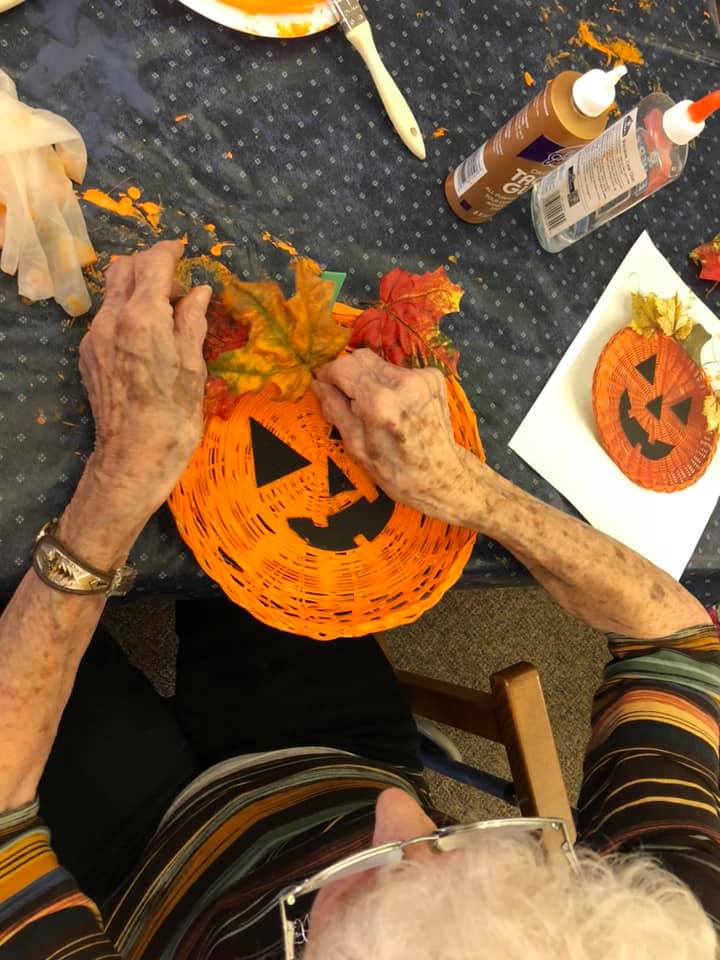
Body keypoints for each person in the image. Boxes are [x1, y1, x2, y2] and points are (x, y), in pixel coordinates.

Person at [0, 239, 717, 960]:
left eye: (362, 880)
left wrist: (117, 486)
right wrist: (465, 489)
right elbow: (680, 645)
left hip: (143, 872)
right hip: (329, 757)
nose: (400, 807)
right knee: (257, 523)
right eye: (447, 837)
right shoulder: (656, 930)